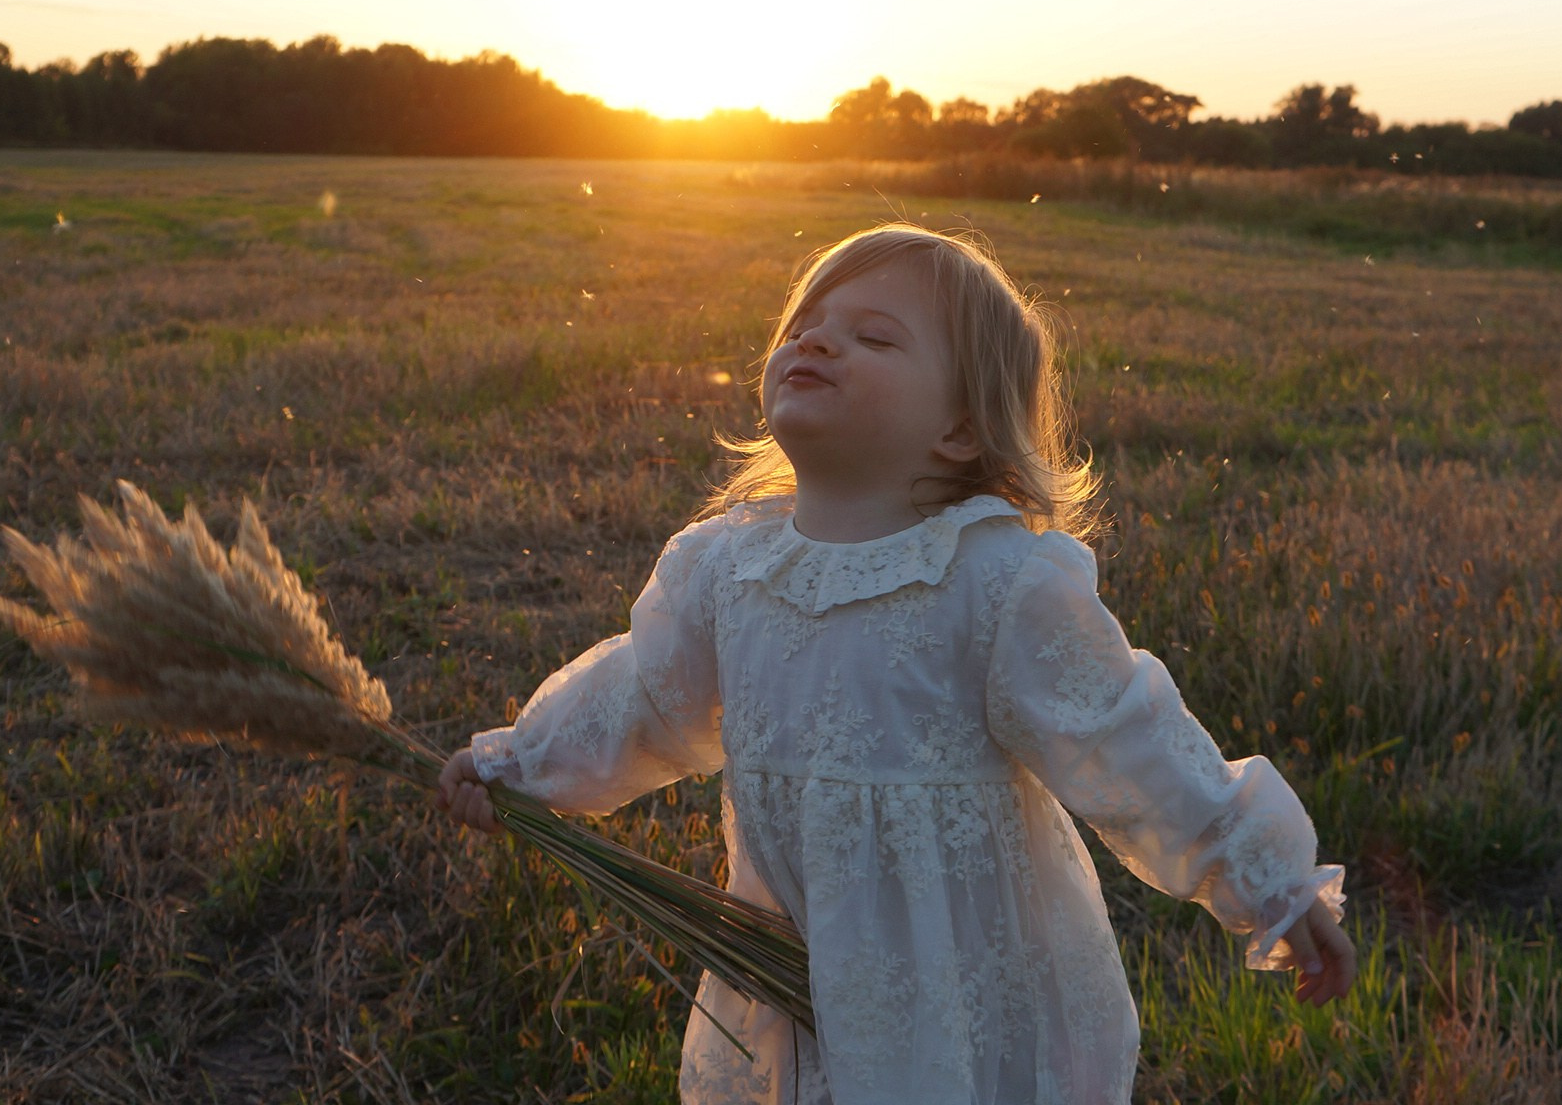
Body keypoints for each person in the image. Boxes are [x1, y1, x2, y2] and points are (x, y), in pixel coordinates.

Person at [436, 223, 1354, 1104]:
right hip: (793, 956)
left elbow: (1124, 738)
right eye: (804, 326)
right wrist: (520, 766)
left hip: (960, 977)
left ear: (960, 430)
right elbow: (644, 701)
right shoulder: (725, 567)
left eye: (872, 336)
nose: (819, 342)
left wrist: (1267, 883)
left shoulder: (994, 579)